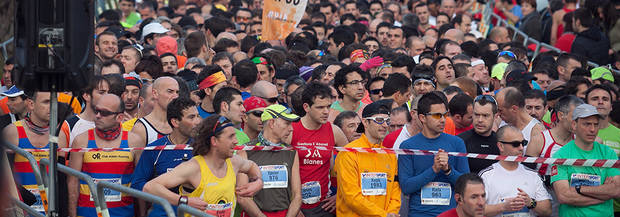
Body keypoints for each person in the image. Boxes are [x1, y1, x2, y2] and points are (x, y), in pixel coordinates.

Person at [143, 115, 264, 217]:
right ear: (214, 141)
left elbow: (252, 166)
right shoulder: (194, 167)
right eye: (230, 137)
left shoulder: (234, 162)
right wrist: (184, 201)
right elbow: (150, 187)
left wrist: (258, 182)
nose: (236, 141)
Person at [68, 94, 144, 217]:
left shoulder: (134, 141)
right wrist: (72, 214)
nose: (97, 116)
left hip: (123, 213)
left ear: (119, 117)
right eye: (96, 111)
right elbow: (72, 182)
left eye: (104, 113)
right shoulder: (81, 140)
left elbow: (140, 183)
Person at [398, 92, 470, 217]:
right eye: (437, 115)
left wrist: (448, 170)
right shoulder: (408, 146)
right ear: (422, 118)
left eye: (445, 115)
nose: (443, 120)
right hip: (419, 214)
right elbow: (406, 187)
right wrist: (434, 170)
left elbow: (466, 185)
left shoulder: (457, 143)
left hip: (450, 213)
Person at [286, 82, 348, 217]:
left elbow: (353, 164)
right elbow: (281, 168)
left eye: (328, 106)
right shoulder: (291, 130)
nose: (326, 112)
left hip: (324, 205)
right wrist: (291, 206)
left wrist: (340, 195)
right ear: (306, 107)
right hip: (294, 204)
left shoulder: (334, 131)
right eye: (320, 107)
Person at [131, 97, 200, 216]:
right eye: (191, 117)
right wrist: (160, 189)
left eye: (197, 116)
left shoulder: (202, 148)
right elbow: (137, 184)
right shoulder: (155, 149)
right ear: (175, 122)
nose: (197, 121)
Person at [4, 91, 68, 215]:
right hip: (20, 208)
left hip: (50, 210)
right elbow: (6, 177)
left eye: (54, 102)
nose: (52, 107)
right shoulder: (12, 132)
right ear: (31, 104)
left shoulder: (59, 135)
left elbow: (61, 181)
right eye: (46, 102)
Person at [551, 104, 620, 217]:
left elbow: (616, 190)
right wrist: (603, 195)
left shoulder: (608, 153)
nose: (592, 129)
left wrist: (579, 188)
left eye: (596, 125)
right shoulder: (561, 155)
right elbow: (564, 196)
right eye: (587, 124)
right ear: (574, 125)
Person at [335, 101, 401, 217]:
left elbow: (395, 193)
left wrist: (392, 213)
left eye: (387, 121)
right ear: (365, 122)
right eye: (379, 120)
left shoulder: (389, 154)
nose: (385, 125)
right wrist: (383, 215)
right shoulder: (349, 152)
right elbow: (351, 196)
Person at [239, 104, 302, 217]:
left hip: (285, 213)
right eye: (287, 123)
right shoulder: (246, 150)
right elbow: (242, 196)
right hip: (255, 214)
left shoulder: (291, 151)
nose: (291, 128)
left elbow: (297, 196)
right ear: (272, 123)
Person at [479, 125, 552, 217]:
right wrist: (503, 207)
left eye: (523, 143)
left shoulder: (533, 175)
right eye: (516, 144)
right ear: (501, 146)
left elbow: (548, 210)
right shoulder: (486, 175)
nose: (521, 148)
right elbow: (476, 210)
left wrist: (531, 203)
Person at [458, 95, 500, 174]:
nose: (480, 120)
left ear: (495, 117)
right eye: (477, 115)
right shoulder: (460, 141)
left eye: (485, 116)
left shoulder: (501, 143)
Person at [132, 77, 179, 147]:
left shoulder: (180, 124)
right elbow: (136, 157)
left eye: (177, 92)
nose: (175, 96)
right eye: (170, 91)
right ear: (155, 93)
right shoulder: (141, 128)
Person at [496, 87, 545, 154]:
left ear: (514, 109)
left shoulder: (536, 131)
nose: (498, 114)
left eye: (500, 110)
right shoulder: (500, 121)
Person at [67, 76, 110, 146]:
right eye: (101, 93)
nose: (107, 97)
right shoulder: (68, 125)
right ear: (86, 96)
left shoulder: (115, 124)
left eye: (108, 93)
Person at [585, 85, 620, 154]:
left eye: (605, 99)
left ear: (611, 107)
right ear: (586, 105)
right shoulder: (576, 133)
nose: (600, 102)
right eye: (595, 99)